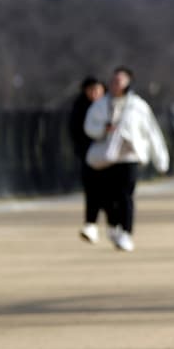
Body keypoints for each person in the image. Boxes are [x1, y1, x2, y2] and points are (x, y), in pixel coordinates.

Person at [83, 66, 170, 252]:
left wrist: (160, 159)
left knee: (125, 196)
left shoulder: (137, 106)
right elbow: (89, 127)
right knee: (108, 196)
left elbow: (151, 132)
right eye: (113, 80)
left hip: (129, 156)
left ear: (128, 82)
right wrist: (103, 130)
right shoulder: (100, 105)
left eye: (119, 80)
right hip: (108, 157)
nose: (115, 84)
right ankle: (113, 225)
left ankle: (126, 233)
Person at [70, 76, 106, 243]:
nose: (94, 93)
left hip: (111, 157)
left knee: (112, 193)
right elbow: (75, 133)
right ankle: (90, 224)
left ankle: (117, 226)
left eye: (97, 89)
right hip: (89, 157)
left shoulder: (109, 105)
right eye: (91, 90)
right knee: (92, 191)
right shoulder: (79, 108)